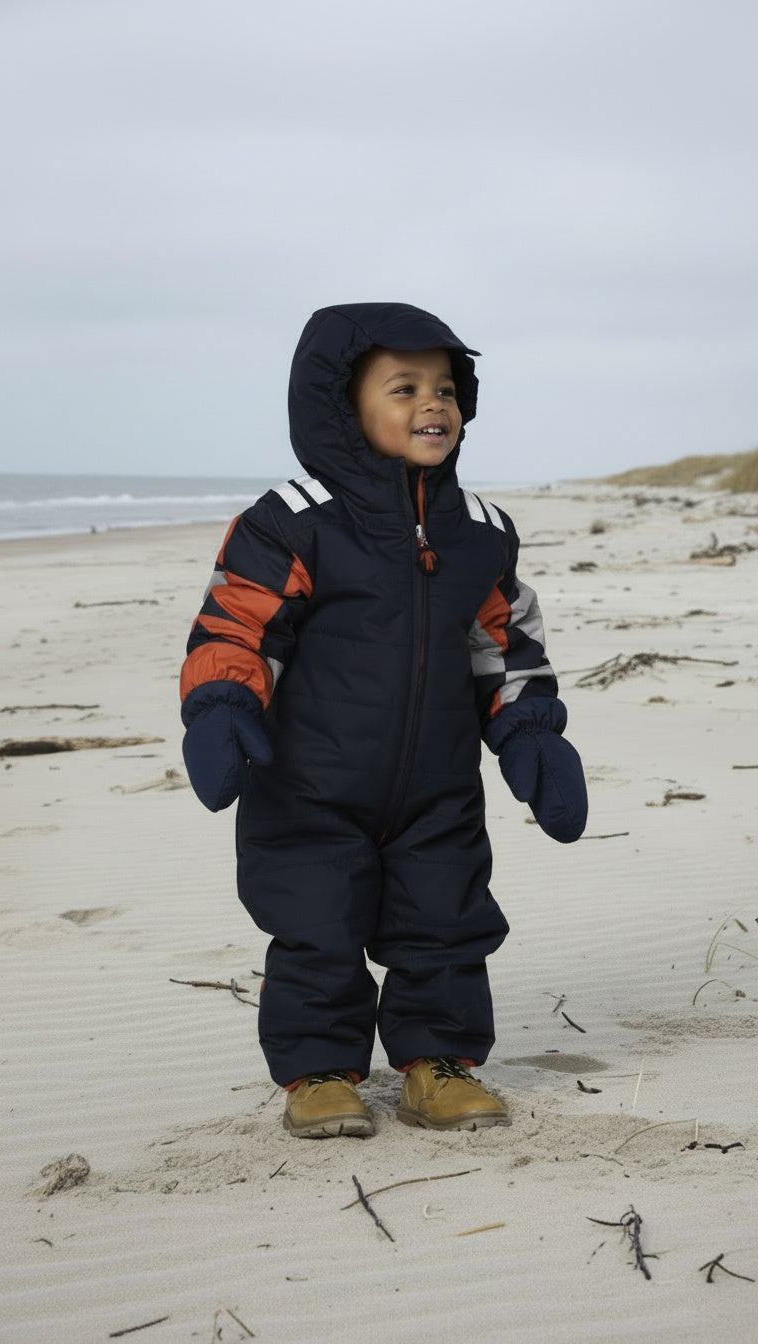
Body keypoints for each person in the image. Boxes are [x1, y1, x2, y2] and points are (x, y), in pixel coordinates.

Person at [180, 302, 588, 1139]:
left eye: (445, 388)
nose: (432, 404)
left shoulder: (479, 532)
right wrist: (222, 705)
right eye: (403, 388)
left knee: (445, 921)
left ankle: (437, 1065)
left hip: (437, 787)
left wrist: (532, 731)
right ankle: (321, 1072)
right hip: (307, 786)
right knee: (315, 925)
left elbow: (504, 642)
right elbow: (237, 624)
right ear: (342, 404)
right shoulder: (292, 520)